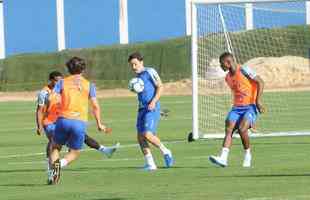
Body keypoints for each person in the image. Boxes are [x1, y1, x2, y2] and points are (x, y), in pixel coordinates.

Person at [48, 57, 112, 184]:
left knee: (55, 147)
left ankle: (55, 171)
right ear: (83, 69)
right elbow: (95, 106)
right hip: (79, 122)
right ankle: (60, 164)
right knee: (75, 152)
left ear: (68, 69)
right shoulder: (89, 85)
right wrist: (99, 123)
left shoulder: (62, 82)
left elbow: (52, 98)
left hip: (63, 119)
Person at [209, 52, 266, 168]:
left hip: (250, 106)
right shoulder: (227, 78)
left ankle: (247, 155)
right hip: (236, 108)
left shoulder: (245, 70)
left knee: (242, 129)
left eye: (222, 64)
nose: (221, 66)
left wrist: (258, 101)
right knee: (229, 128)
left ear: (228, 62)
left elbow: (260, 82)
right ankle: (223, 158)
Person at [128, 52, 174, 171]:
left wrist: (154, 102)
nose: (133, 67)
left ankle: (166, 151)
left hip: (152, 107)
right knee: (140, 137)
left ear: (141, 62)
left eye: (135, 64)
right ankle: (150, 164)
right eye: (131, 65)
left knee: (147, 134)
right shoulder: (136, 78)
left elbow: (160, 87)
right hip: (142, 108)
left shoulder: (150, 71)